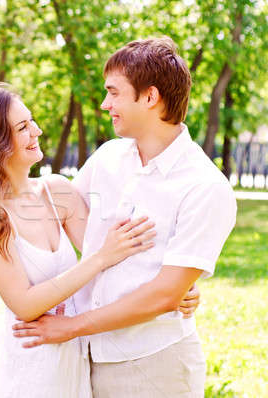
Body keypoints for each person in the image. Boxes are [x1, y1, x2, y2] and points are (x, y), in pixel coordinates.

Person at [12, 37, 236, 397]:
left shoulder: (205, 186)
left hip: (153, 365)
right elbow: (56, 212)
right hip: (84, 361)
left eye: (114, 93)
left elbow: (164, 295)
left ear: (150, 97)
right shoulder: (108, 158)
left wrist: (70, 327)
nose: (105, 104)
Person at [0, 83, 200, 397]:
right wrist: (100, 258)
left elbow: (119, 259)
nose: (37, 130)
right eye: (23, 127)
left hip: (76, 359)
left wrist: (175, 286)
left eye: (32, 120)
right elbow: (24, 304)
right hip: (31, 362)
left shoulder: (57, 192)